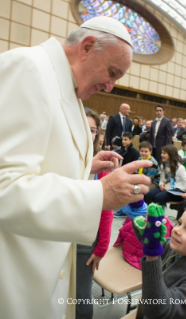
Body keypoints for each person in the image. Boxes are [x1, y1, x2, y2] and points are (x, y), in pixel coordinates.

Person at [0, 16, 153, 319]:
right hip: (17, 270)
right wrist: (99, 194)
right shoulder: (28, 68)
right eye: (112, 73)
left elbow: (40, 163)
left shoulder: (68, 85)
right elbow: (5, 186)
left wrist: (84, 167)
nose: (110, 87)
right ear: (86, 47)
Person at [76, 108, 113, 319]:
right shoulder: (62, 161)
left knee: (81, 297)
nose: (89, 133)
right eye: (84, 127)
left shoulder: (101, 166)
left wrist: (101, 247)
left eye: (93, 129)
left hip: (85, 240)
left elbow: (106, 212)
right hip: (59, 237)